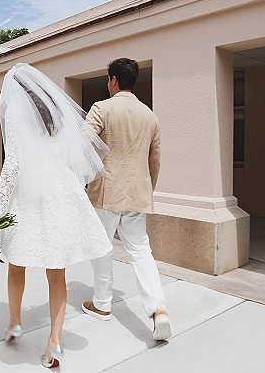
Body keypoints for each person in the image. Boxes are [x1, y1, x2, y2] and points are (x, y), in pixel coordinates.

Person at [0, 63, 112, 368]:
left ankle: (15, 323)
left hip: (30, 192)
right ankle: (54, 343)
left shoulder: (16, 112)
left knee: (16, 263)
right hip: (62, 190)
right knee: (57, 273)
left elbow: (13, 163)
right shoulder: (58, 113)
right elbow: (75, 157)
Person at [81, 58, 172, 341]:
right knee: (142, 252)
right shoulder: (150, 115)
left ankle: (102, 303)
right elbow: (155, 160)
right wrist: (147, 188)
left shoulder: (101, 108)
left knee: (102, 248)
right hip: (137, 193)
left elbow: (82, 146)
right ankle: (158, 310)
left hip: (106, 193)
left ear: (113, 80)